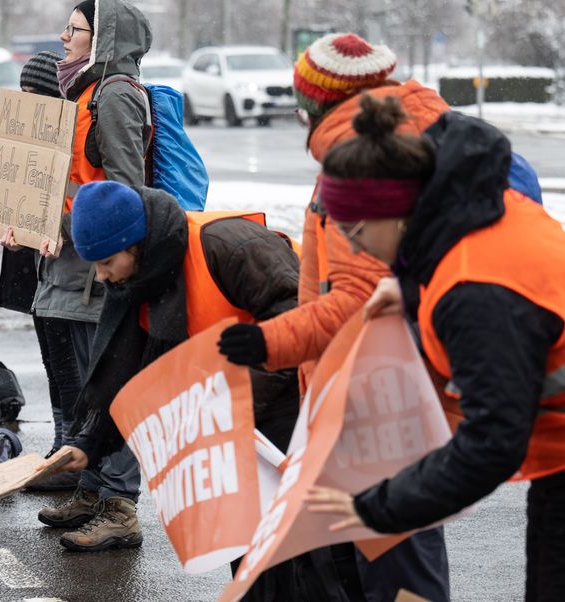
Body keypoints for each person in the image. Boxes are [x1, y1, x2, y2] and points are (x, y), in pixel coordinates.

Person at [216, 32, 451, 601]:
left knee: (392, 563)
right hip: (389, 387)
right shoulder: (408, 137)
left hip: (371, 395)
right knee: (386, 554)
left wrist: (270, 342)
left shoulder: (363, 165)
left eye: (304, 101)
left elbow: (356, 300)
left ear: (324, 101)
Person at [305, 92, 565, 602]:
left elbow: (491, 443)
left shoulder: (473, 292)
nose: (354, 249)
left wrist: (378, 507)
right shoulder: (479, 207)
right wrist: (406, 286)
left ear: (394, 213)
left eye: (356, 231)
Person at [45, 180, 303, 560]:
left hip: (298, 392)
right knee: (250, 541)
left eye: (106, 263)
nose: (101, 276)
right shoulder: (142, 277)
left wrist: (230, 403)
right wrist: (89, 443)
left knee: (300, 545)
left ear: (134, 245)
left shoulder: (228, 246)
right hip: (243, 404)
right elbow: (130, 373)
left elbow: (297, 324)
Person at [35, 0, 156, 551]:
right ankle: (90, 490)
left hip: (96, 272)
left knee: (110, 388)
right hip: (70, 264)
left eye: (75, 29)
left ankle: (118, 506)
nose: (63, 37)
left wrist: (60, 220)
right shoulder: (84, 92)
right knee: (86, 388)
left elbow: (125, 190)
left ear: (103, 39)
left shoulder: (114, 97)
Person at [0, 52, 90, 491]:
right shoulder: (32, 134)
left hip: (69, 262)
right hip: (42, 262)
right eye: (24, 93)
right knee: (52, 359)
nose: (27, 102)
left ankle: (71, 455)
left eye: (36, 94)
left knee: (67, 362)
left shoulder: (71, 134)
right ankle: (60, 444)